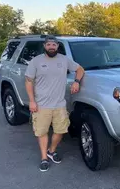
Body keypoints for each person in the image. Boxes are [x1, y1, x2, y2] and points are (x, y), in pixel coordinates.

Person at [25, 35, 85, 172]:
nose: (51, 47)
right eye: (49, 45)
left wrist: (77, 81)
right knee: (42, 131)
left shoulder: (64, 60)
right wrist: (32, 101)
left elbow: (80, 69)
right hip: (41, 105)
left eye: (54, 45)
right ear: (44, 46)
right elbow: (28, 81)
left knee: (60, 130)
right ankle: (43, 158)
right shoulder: (36, 61)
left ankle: (51, 151)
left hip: (59, 104)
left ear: (58, 46)